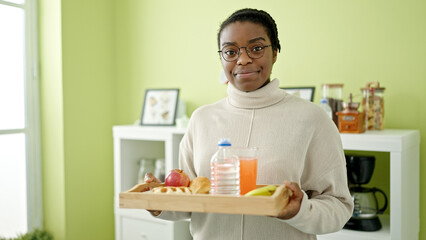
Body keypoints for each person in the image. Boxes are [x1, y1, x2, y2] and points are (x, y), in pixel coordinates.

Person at [145, 8, 353, 240]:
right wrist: (159, 203)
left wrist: (300, 210)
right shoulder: (201, 119)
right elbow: (190, 201)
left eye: (256, 48)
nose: (242, 59)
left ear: (275, 52)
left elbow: (339, 207)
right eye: (230, 51)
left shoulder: (312, 119)